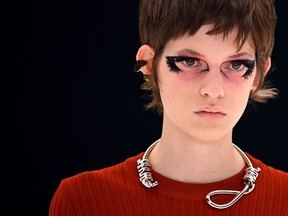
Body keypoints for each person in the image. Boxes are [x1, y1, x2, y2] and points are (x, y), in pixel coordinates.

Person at [49, 0, 288, 215]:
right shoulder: (82, 201)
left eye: (236, 65)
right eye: (190, 61)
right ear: (149, 64)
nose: (214, 89)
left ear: (258, 74)